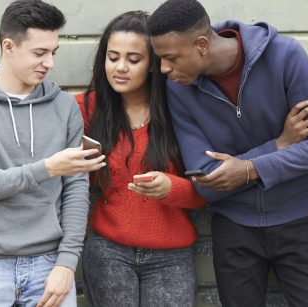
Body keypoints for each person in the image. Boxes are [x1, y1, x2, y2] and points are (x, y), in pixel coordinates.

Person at [147, 0, 308, 306]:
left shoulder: (284, 56)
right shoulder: (177, 89)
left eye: (170, 58)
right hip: (234, 227)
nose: (163, 69)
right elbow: (206, 180)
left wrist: (248, 169)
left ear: (201, 45)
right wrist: (278, 145)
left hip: (301, 218)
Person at [0, 1, 106, 306]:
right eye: (39, 53)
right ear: (9, 46)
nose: (50, 63)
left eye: (53, 52)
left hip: (49, 266)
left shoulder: (64, 106)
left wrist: (66, 263)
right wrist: (47, 168)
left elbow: (75, 190)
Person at [75, 11, 208, 307]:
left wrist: (171, 189)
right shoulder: (87, 108)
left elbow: (209, 189)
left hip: (171, 255)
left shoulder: (180, 111)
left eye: (133, 60)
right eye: (113, 57)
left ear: (152, 64)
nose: (120, 68)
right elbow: (72, 182)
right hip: (108, 250)